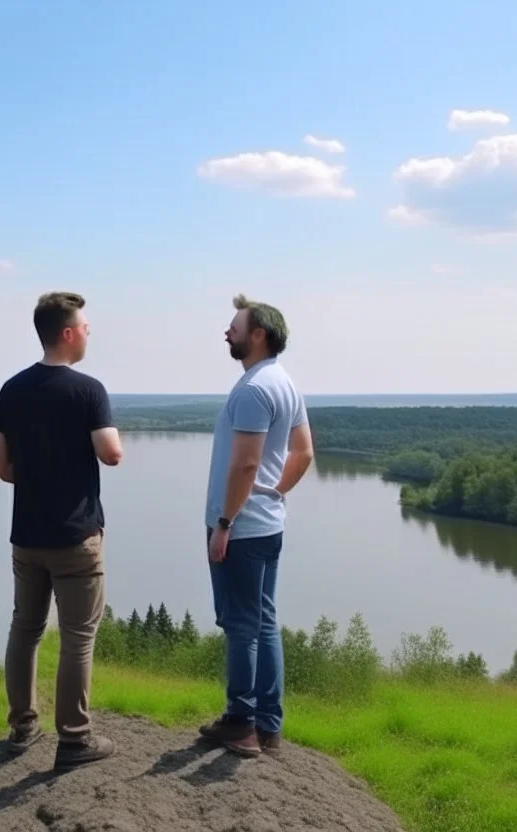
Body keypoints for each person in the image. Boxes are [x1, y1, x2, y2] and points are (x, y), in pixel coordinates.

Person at [0, 291, 124, 771]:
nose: (89, 333)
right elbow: (111, 453)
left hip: (27, 535)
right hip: (75, 538)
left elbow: (3, 467)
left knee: (24, 629)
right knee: (77, 637)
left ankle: (22, 727)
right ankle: (74, 739)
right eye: (85, 327)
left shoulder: (11, 390)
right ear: (67, 333)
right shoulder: (88, 391)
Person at [198, 294, 314, 758]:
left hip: (242, 528)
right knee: (264, 621)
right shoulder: (284, 382)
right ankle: (268, 726)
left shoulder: (252, 389)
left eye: (235, 326)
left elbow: (246, 465)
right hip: (268, 524)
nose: (227, 332)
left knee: (241, 625)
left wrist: (225, 522)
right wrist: (274, 492)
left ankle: (241, 724)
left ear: (258, 335)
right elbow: (303, 453)